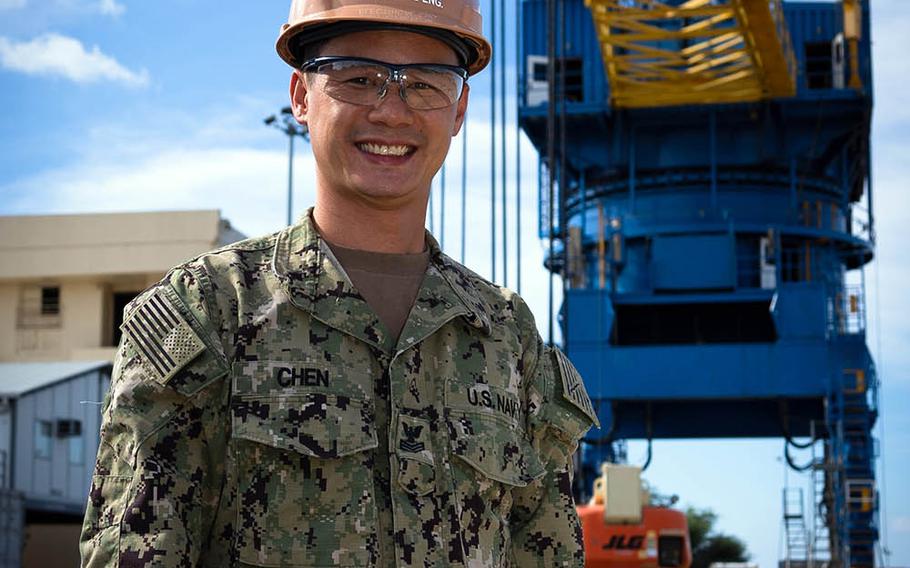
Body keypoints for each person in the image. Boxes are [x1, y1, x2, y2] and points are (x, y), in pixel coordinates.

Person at [79, 0, 598, 565]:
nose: (392, 112)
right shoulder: (210, 310)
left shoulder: (507, 335)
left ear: (460, 109)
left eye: (425, 84)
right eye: (359, 79)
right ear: (301, 95)